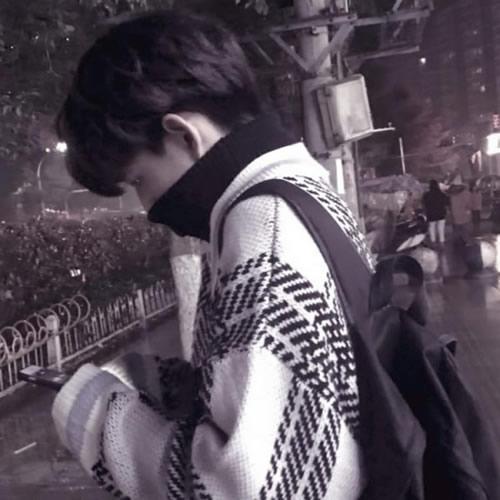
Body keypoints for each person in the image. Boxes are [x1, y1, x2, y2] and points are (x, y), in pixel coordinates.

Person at [51, 11, 373, 499]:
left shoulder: (263, 227)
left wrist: (91, 411)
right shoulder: (298, 190)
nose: (148, 208)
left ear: (183, 135)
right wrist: (157, 383)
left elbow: (246, 484)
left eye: (139, 180)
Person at [422, 179, 448, 247]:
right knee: (441, 228)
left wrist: (426, 211)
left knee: (432, 228)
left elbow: (424, 204)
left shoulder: (426, 195)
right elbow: (446, 203)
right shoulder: (442, 194)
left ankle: (433, 242)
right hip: (441, 213)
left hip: (431, 214)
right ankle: (442, 242)